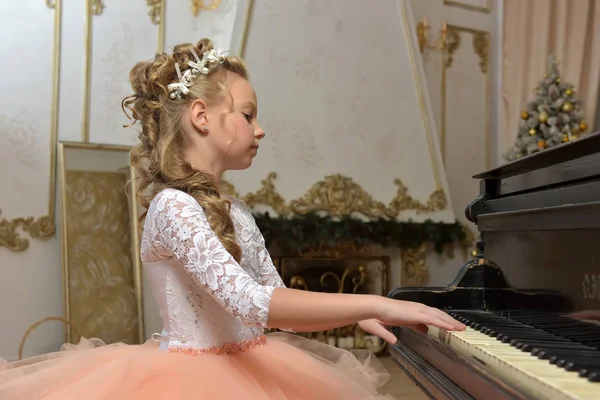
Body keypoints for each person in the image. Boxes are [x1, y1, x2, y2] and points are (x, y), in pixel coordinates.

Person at [0, 38, 465, 399]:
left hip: (255, 366)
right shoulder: (174, 206)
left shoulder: (236, 209)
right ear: (201, 116)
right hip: (190, 379)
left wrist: (353, 315)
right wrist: (372, 303)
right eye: (247, 114)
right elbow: (249, 302)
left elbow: (275, 304)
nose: (260, 128)